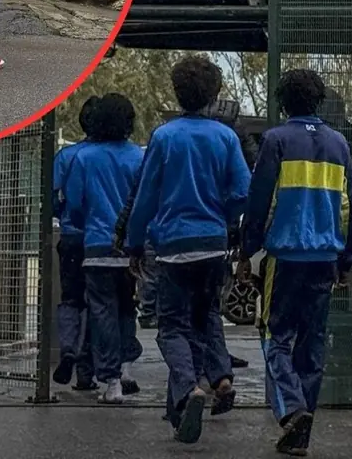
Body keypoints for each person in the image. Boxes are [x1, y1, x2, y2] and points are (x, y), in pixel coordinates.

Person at [124, 55, 250, 444]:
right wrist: (223, 218)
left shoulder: (165, 136)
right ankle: (221, 379)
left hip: (174, 245)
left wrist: (133, 242)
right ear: (215, 93)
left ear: (176, 91)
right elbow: (242, 191)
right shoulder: (226, 137)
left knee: (172, 327)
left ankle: (189, 387)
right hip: (213, 244)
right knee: (208, 316)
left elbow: (146, 197)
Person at [238, 69, 352, 457]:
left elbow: (259, 202)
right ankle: (301, 428)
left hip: (285, 257)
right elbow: (350, 206)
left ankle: (291, 409)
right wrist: (347, 260)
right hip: (325, 257)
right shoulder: (339, 144)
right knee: (312, 345)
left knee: (273, 336)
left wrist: (247, 250)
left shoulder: (276, 140)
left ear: (283, 103)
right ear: (319, 102)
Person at [62, 93, 146, 404]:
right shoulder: (138, 156)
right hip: (129, 249)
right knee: (127, 308)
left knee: (102, 313)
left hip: (96, 246)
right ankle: (127, 367)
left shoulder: (85, 158)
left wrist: (87, 221)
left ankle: (111, 382)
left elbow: (74, 203)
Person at [51, 97, 100, 392]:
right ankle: (86, 370)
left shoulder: (68, 156)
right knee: (98, 305)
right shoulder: (114, 153)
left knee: (70, 298)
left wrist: (63, 215)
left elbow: (53, 192)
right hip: (101, 238)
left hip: (70, 236)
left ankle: (67, 347)